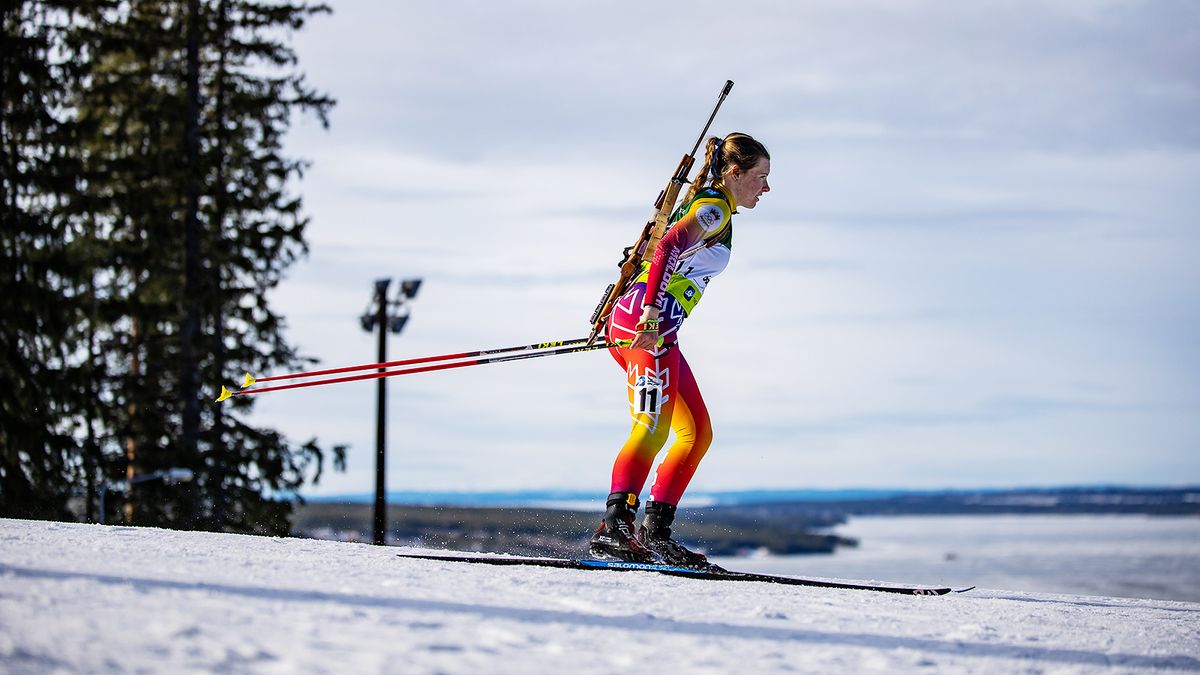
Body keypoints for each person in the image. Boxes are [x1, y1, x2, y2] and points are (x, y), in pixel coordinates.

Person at [589, 132, 771, 569]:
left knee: (696, 434)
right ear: (734, 173)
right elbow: (668, 247)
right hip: (644, 328)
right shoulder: (714, 208)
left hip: (657, 330)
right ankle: (614, 529)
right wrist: (651, 315)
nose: (765, 188)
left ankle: (655, 532)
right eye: (760, 177)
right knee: (652, 429)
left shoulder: (716, 208)